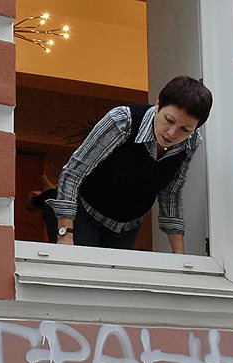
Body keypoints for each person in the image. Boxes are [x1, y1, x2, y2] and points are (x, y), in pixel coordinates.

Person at [47, 75, 212, 253]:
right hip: (84, 214)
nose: (172, 133)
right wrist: (65, 235)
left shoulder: (190, 142)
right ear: (158, 105)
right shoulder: (122, 120)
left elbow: (171, 193)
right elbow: (73, 173)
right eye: (169, 120)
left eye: (185, 129)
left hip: (127, 227)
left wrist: (180, 256)